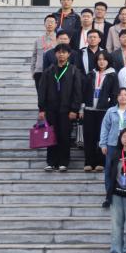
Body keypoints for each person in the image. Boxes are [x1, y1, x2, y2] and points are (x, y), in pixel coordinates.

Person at [37, 43, 84, 173]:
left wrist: (74, 109)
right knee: (51, 135)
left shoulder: (74, 70)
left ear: (69, 54)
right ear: (55, 54)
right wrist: (42, 109)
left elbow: (77, 92)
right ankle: (51, 162)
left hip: (67, 111)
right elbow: (42, 91)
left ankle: (64, 162)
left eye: (64, 52)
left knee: (64, 136)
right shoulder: (49, 71)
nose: (61, 54)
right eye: (59, 52)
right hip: (51, 110)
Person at [81, 50, 118, 173]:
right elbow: (84, 91)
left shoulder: (112, 75)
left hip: (104, 111)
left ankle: (100, 161)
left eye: (104, 59)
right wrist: (82, 107)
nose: (102, 62)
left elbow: (114, 94)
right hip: (89, 109)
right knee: (89, 136)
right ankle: (88, 162)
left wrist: (111, 109)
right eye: (99, 59)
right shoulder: (91, 74)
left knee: (102, 136)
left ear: (108, 61)